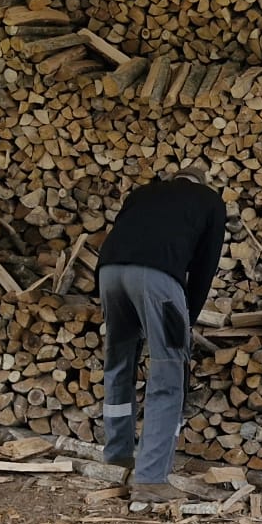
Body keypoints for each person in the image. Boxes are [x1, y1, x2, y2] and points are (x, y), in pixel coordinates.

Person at [94, 160, 228, 500]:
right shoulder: (209, 201)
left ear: (174, 178)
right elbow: (205, 266)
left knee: (118, 363)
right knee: (168, 372)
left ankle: (116, 460)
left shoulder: (143, 193)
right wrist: (187, 317)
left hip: (110, 273)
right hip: (157, 277)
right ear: (201, 183)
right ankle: (151, 479)